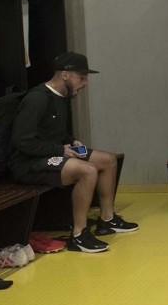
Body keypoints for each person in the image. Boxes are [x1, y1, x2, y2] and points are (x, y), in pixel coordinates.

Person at [8, 51, 137, 253]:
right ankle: (79, 234)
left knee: (108, 160)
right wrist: (61, 149)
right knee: (87, 170)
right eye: (81, 77)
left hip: (54, 152)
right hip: (29, 163)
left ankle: (107, 219)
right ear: (65, 75)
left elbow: (54, 133)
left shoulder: (62, 97)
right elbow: (22, 141)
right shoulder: (37, 99)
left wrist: (71, 142)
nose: (85, 83)